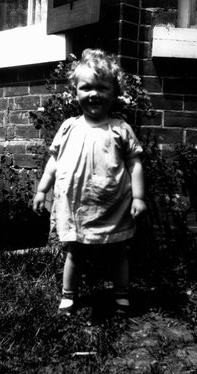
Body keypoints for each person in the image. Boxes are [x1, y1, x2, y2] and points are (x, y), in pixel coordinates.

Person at [33, 48, 147, 315]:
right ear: (76, 92)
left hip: (112, 204)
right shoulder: (69, 127)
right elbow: (55, 161)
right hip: (77, 207)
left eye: (102, 88)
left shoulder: (120, 129)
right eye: (86, 88)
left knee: (119, 252)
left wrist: (139, 197)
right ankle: (68, 295)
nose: (94, 93)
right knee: (75, 252)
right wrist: (42, 190)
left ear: (114, 93)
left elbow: (135, 163)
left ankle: (121, 295)